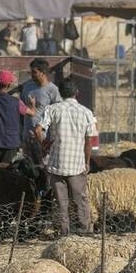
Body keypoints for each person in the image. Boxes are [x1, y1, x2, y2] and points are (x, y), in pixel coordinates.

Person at [35, 78, 96, 235]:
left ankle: (64, 232)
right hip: (77, 164)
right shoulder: (86, 112)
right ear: (77, 93)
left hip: (57, 164)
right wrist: (87, 162)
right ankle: (85, 230)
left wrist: (44, 144)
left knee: (61, 202)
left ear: (60, 94)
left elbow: (38, 130)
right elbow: (90, 140)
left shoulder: (52, 109)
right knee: (80, 200)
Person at [21, 58, 62, 165]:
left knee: (43, 167)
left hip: (43, 138)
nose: (32, 75)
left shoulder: (53, 90)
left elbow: (57, 113)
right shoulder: (27, 87)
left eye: (34, 72)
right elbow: (21, 107)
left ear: (43, 73)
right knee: (28, 167)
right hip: (27, 135)